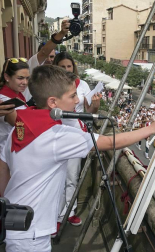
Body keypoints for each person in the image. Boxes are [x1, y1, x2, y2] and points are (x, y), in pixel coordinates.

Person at [0, 65, 155, 252]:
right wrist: (150, 129)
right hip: (32, 232)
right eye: (72, 96)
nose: (77, 100)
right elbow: (107, 142)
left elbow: (1, 168)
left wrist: (12, 201)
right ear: (53, 102)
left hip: (13, 219)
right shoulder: (56, 136)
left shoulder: (20, 127)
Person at [52, 52, 102, 233]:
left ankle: (69, 211)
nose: (66, 69)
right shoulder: (51, 85)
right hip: (54, 134)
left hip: (75, 135)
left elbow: (89, 110)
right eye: (62, 66)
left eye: (69, 66)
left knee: (72, 177)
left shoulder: (84, 85)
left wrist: (95, 104)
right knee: (56, 178)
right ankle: (55, 215)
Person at [0, 58, 30, 197]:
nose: (25, 82)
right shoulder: (3, 100)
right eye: (20, 78)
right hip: (5, 163)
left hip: (13, 159)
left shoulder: (17, 95)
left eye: (27, 78)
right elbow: (21, 125)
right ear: (7, 77)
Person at [23, 20, 70, 101]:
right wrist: (61, 34)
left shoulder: (58, 76)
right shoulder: (32, 68)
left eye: (51, 57)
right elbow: (44, 52)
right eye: (45, 57)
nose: (48, 60)